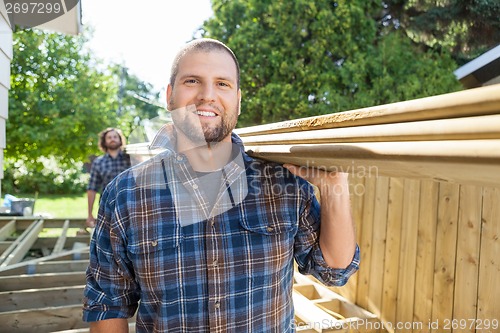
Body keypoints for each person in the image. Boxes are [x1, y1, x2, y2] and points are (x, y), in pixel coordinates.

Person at [83, 38, 360, 333]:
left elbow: (334, 271)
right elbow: (108, 303)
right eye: (192, 81)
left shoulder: (285, 182)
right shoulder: (125, 194)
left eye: (222, 84)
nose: (207, 95)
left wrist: (335, 189)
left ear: (238, 101)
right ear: (169, 95)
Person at [85, 127, 131, 229]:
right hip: (107, 208)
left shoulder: (130, 159)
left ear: (120, 140)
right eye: (109, 137)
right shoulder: (98, 162)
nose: (112, 139)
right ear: (104, 142)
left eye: (115, 137)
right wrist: (89, 214)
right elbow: (92, 189)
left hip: (129, 206)